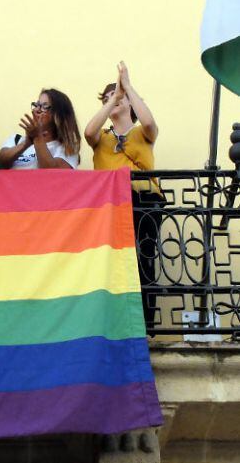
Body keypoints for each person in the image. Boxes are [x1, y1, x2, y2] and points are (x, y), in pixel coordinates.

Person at [84, 61, 162, 325]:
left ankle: (145, 324)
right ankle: (114, 322)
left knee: (143, 260)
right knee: (111, 263)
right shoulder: (102, 138)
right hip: (109, 205)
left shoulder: (142, 133)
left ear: (130, 102)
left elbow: (150, 121)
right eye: (106, 98)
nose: (113, 100)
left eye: (117, 97)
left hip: (143, 201)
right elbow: (88, 132)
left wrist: (127, 86)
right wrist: (113, 98)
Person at [0, 88, 81, 169]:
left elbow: (52, 175)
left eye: (44, 106)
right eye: (37, 105)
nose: (37, 110)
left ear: (59, 115)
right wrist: (25, 144)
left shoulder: (67, 149)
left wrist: (37, 138)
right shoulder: (16, 140)